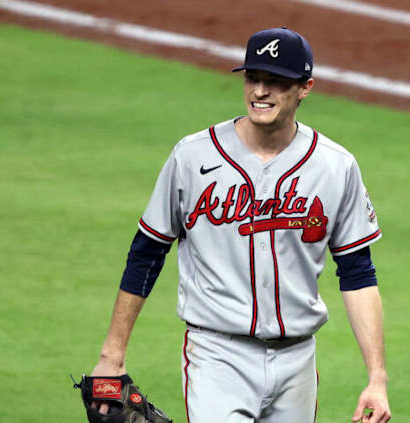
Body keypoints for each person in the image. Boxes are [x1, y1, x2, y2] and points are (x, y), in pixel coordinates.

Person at [90, 27, 391, 423]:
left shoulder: (335, 166)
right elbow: (147, 252)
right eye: (253, 78)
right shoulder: (192, 157)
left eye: (275, 81)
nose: (260, 91)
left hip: (297, 360)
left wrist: (376, 378)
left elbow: (357, 272)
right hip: (217, 355)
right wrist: (112, 356)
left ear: (305, 88)